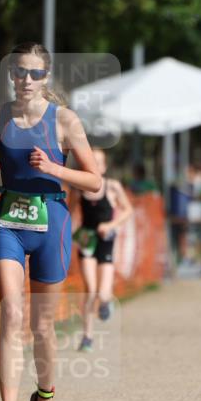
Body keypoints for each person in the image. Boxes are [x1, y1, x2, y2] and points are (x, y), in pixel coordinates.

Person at [0, 42, 102, 401]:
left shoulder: (64, 120)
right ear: (10, 75)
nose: (26, 80)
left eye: (34, 74)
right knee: (11, 313)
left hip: (52, 223)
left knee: (41, 326)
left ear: (46, 78)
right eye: (19, 73)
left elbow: (94, 181)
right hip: (9, 220)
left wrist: (53, 168)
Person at [71, 148, 133, 352]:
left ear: (104, 167)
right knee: (90, 288)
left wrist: (111, 225)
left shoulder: (113, 187)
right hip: (87, 240)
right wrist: (68, 235)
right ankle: (87, 337)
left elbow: (128, 210)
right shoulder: (78, 188)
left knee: (103, 293)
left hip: (106, 239)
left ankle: (106, 302)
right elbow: (70, 214)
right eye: (91, 162)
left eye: (99, 162)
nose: (95, 166)